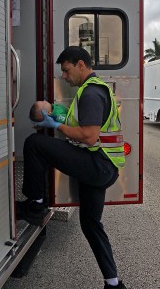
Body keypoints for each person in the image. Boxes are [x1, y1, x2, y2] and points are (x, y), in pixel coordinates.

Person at [16, 46, 127, 289]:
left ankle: (34, 204)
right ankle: (113, 282)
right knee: (90, 224)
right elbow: (86, 128)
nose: (64, 76)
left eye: (66, 71)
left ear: (80, 64)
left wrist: (54, 124)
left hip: (98, 164)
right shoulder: (95, 89)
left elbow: (88, 136)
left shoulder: (91, 93)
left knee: (34, 143)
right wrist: (61, 117)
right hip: (102, 166)